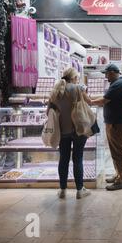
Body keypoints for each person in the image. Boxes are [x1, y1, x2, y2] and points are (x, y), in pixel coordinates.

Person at [48, 68, 92, 199]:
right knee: (77, 159)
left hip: (62, 130)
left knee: (63, 159)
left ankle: (62, 190)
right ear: (73, 78)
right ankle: (80, 190)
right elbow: (88, 102)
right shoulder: (77, 88)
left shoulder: (55, 90)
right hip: (78, 129)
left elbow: (48, 112)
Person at [92, 64, 122, 190]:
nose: (106, 76)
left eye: (107, 73)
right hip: (115, 123)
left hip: (118, 124)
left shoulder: (119, 84)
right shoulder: (117, 84)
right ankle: (119, 174)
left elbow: (104, 100)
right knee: (115, 151)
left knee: (119, 152)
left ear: (114, 72)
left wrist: (89, 102)